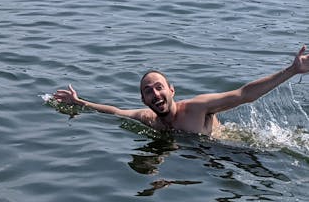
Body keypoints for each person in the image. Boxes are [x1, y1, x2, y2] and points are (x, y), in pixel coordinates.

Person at [54, 45, 309, 137]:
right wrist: (81, 103)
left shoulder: (197, 107)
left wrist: (291, 70)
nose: (155, 94)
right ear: (143, 99)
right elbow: (115, 111)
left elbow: (243, 95)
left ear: (172, 90)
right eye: (148, 91)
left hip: (229, 153)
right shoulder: (147, 118)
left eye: (159, 87)